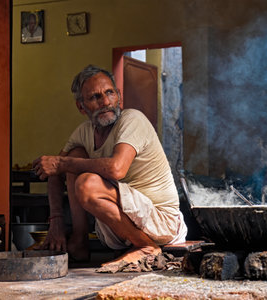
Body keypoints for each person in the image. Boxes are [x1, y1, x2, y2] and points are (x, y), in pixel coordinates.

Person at [32, 65, 187, 270]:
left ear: (119, 96)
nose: (105, 102)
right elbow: (53, 169)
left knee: (87, 183)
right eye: (95, 97)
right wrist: (56, 222)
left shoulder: (132, 119)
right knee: (74, 156)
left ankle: (147, 247)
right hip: (118, 228)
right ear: (81, 107)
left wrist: (62, 163)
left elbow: (116, 169)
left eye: (109, 93)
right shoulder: (84, 132)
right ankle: (79, 242)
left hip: (160, 222)